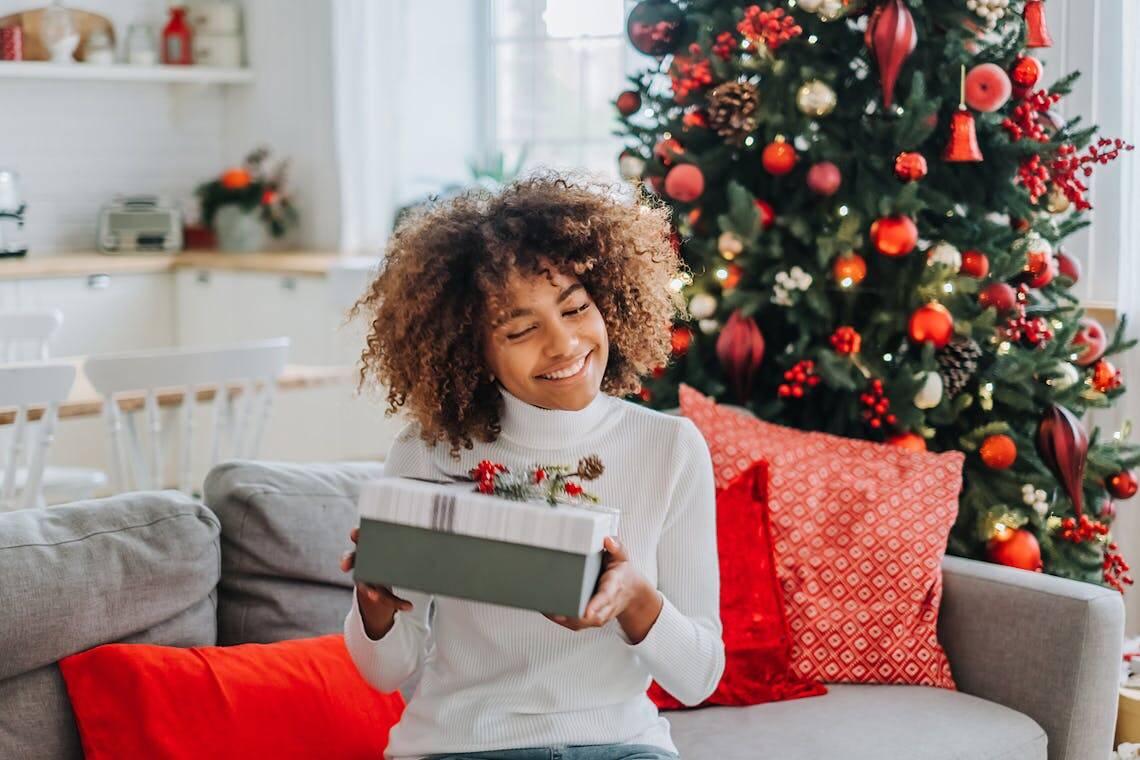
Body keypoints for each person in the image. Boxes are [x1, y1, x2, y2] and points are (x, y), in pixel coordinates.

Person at [340, 171, 724, 760]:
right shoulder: (429, 450)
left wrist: (634, 598)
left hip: (621, 745)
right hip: (461, 745)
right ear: (473, 349)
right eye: (522, 329)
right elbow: (387, 673)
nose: (564, 344)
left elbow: (698, 677)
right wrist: (374, 609)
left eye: (576, 309)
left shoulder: (669, 447)